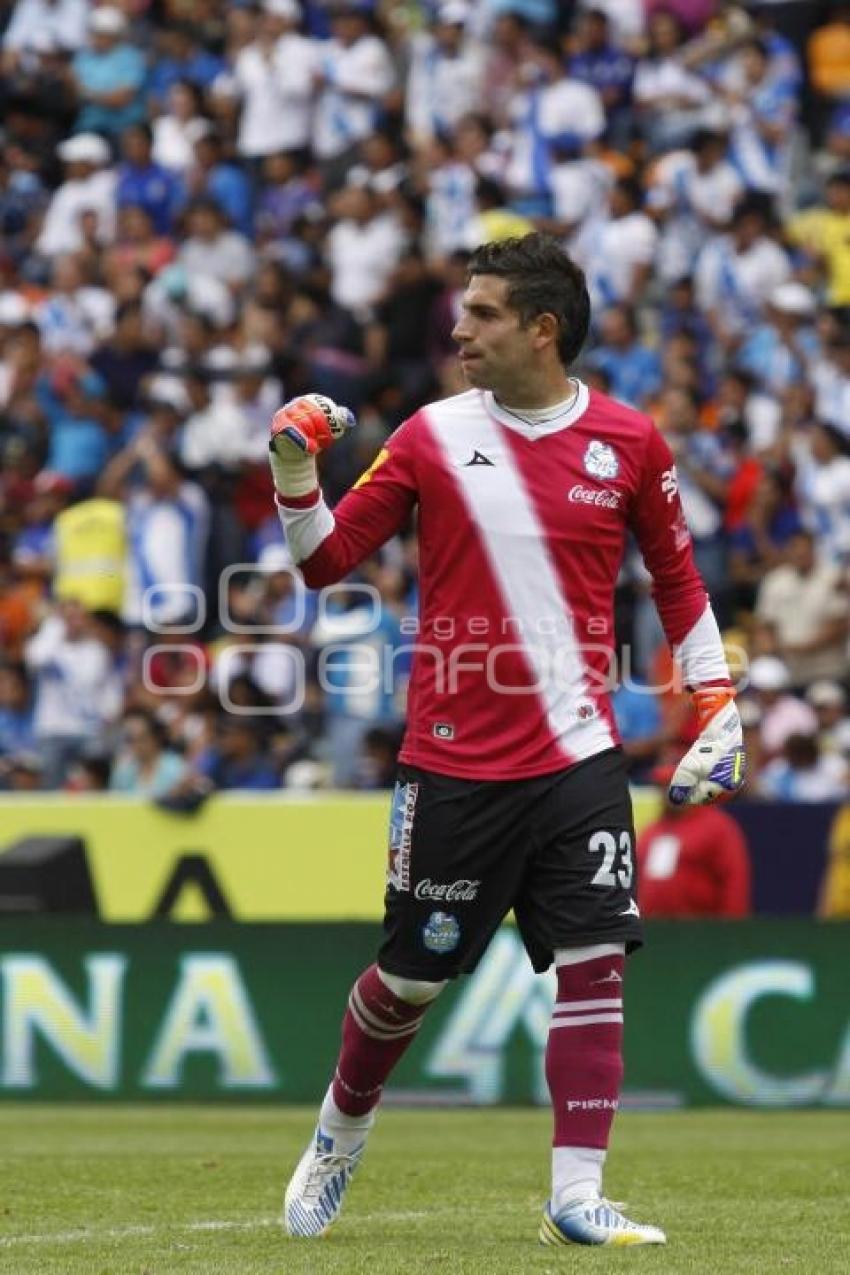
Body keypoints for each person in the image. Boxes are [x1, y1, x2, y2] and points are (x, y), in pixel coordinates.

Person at [267, 234, 745, 1247]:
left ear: (541, 328)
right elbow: (326, 563)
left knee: (595, 959)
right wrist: (292, 471)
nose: (458, 328)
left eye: (480, 313)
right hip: (452, 762)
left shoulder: (629, 443)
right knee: (412, 980)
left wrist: (716, 703)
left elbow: (677, 581)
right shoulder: (432, 435)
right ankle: (339, 1134)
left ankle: (576, 1196)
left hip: (578, 755)